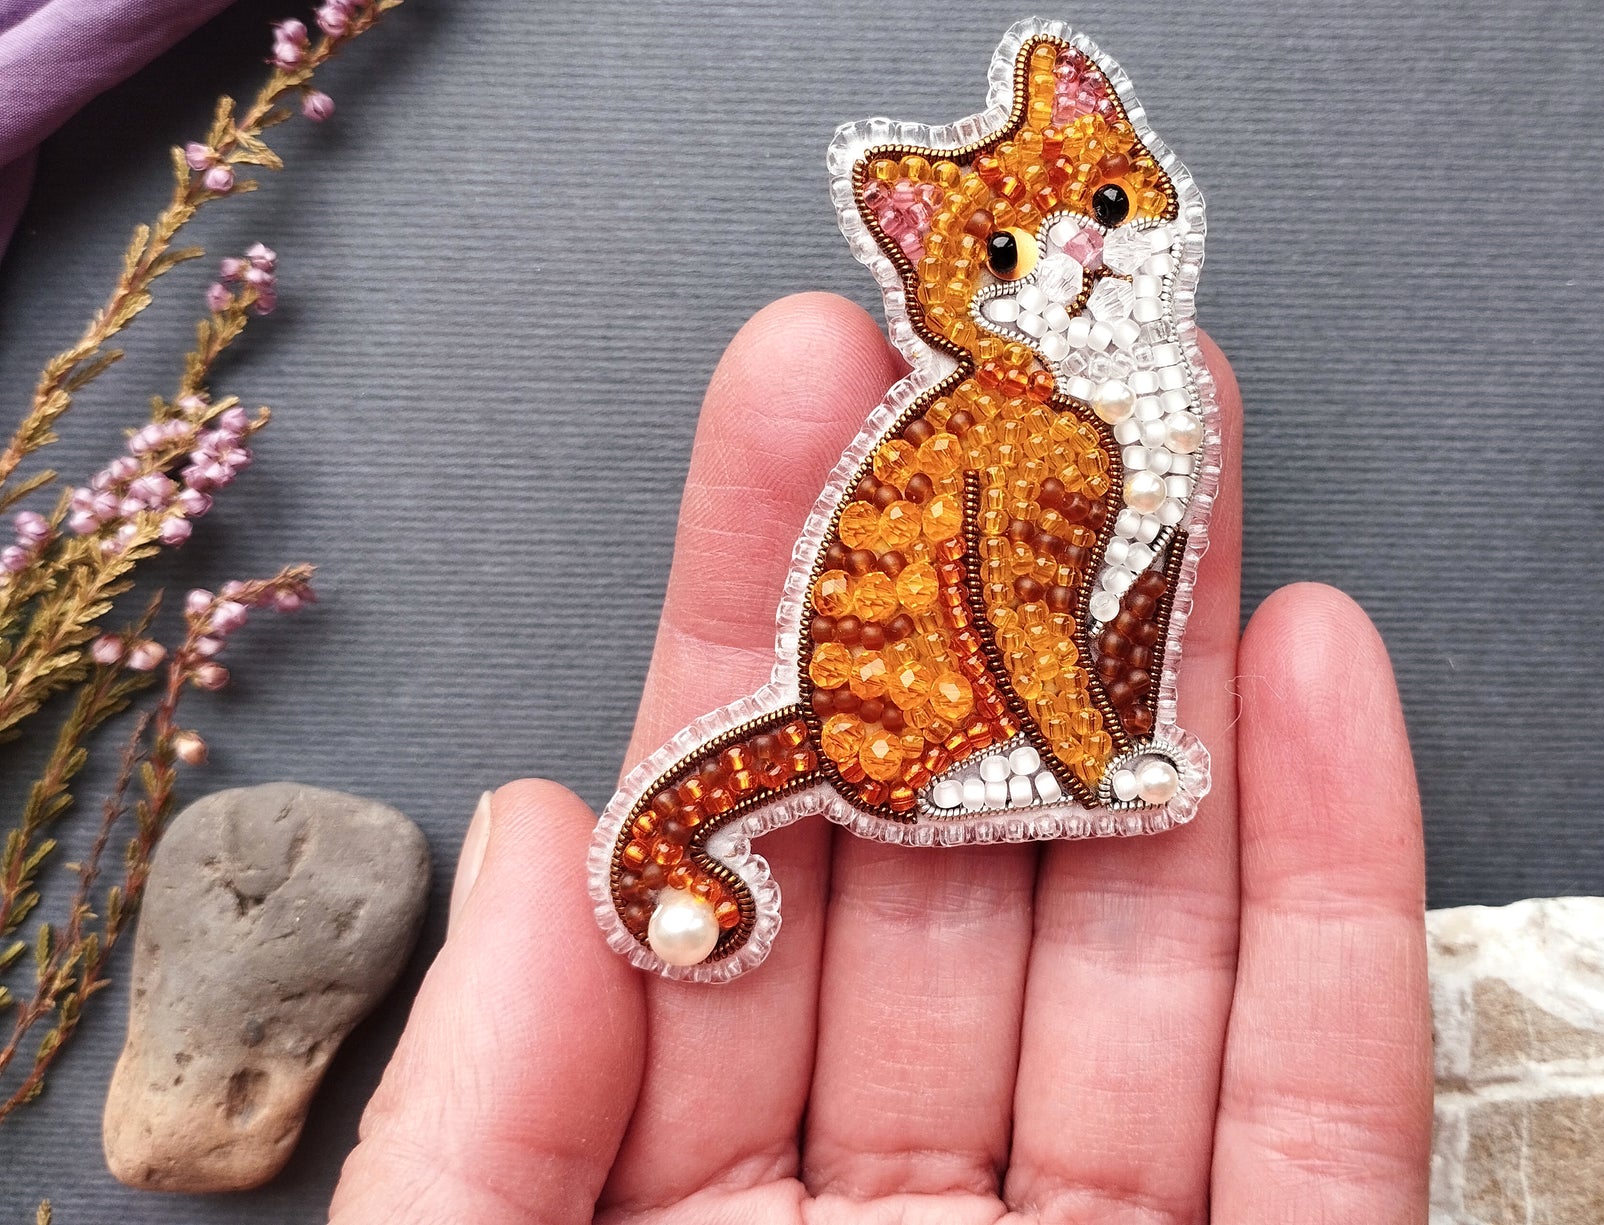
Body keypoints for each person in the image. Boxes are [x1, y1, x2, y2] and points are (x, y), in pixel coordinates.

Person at [328, 296, 1432, 1223]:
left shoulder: (1142, 390)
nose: (1076, 261)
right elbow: (1025, 618)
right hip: (916, 718)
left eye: (1100, 209)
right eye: (1004, 256)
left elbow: (1136, 599)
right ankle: (992, 766)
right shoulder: (1018, 419)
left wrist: (1126, 740)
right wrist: (1089, 764)